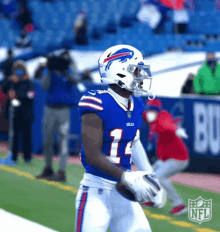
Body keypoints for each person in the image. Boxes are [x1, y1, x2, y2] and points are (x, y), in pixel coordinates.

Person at [75, 45, 166, 232]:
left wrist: (152, 180)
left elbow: (135, 142)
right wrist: (126, 176)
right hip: (96, 191)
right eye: (137, 70)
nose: (143, 76)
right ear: (120, 72)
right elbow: (92, 155)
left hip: (124, 193)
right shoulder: (97, 102)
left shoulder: (136, 104)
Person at [142, 98, 189, 215]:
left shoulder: (162, 117)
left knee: (160, 177)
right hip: (166, 159)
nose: (150, 113)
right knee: (150, 175)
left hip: (178, 158)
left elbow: (168, 125)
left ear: (157, 111)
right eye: (149, 110)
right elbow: (140, 112)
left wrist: (176, 130)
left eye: (152, 110)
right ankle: (153, 200)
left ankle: (179, 205)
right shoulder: (151, 119)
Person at [36, 54, 79, 183]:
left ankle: (61, 171)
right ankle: (48, 168)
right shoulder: (49, 71)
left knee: (63, 141)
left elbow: (75, 81)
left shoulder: (69, 70)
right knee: (47, 140)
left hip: (64, 109)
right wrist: (49, 69)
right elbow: (44, 85)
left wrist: (66, 70)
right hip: (50, 108)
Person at [1, 60, 35, 164]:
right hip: (13, 113)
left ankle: (27, 157)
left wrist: (18, 96)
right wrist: (9, 80)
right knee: (13, 135)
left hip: (25, 112)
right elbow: (3, 88)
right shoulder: (11, 81)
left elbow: (31, 95)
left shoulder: (28, 81)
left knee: (26, 136)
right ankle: (13, 156)